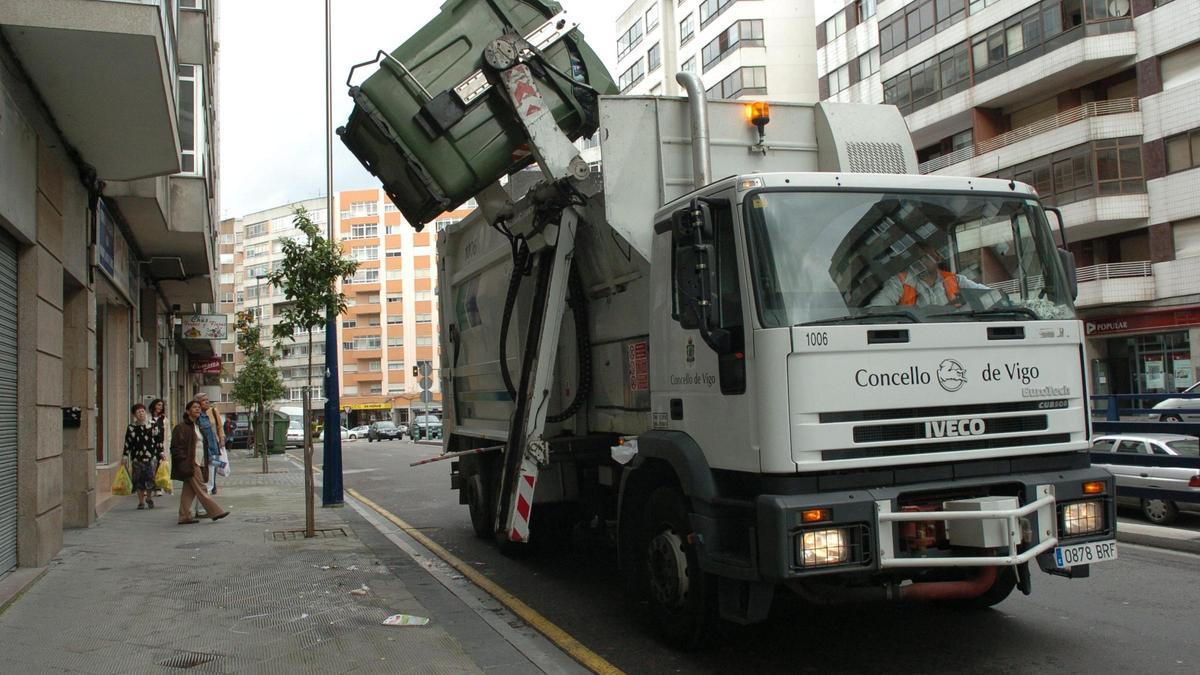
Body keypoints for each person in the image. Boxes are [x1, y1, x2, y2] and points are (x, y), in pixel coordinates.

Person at [871, 241, 992, 307]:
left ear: (937, 258)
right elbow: (876, 309)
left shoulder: (956, 280)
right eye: (916, 259)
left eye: (925, 257)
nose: (920, 262)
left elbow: (988, 295)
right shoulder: (899, 282)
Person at [170, 400, 229, 525]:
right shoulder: (181, 427)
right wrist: (183, 461)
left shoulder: (198, 426)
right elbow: (176, 447)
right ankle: (215, 512)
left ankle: (184, 515)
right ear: (187, 411)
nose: (197, 409)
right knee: (201, 487)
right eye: (194, 407)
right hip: (190, 463)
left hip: (200, 461)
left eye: (198, 407)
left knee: (189, 490)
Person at [123, 403, 163, 510]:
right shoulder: (132, 427)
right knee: (138, 480)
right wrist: (125, 455)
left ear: (146, 412)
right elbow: (128, 442)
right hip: (137, 457)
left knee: (150, 478)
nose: (141, 413)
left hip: (151, 456)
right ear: (134, 415)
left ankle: (149, 498)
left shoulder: (153, 424)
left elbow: (159, 440)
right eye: (138, 412)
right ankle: (140, 501)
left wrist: (161, 452)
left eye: (142, 411)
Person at [195, 393, 225, 496]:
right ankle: (206, 501)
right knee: (208, 477)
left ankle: (212, 486)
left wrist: (221, 439)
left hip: (214, 447)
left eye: (208, 400)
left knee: (217, 467)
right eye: (204, 400)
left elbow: (219, 426)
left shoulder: (211, 412)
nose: (207, 402)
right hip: (206, 452)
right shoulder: (198, 418)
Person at [149, 398, 167, 497]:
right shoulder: (148, 418)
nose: (160, 407)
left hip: (161, 446)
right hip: (150, 445)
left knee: (159, 466)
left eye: (161, 405)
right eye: (158, 405)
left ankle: (158, 487)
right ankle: (149, 487)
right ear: (154, 405)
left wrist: (165, 447)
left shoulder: (164, 419)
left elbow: (167, 434)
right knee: (150, 466)